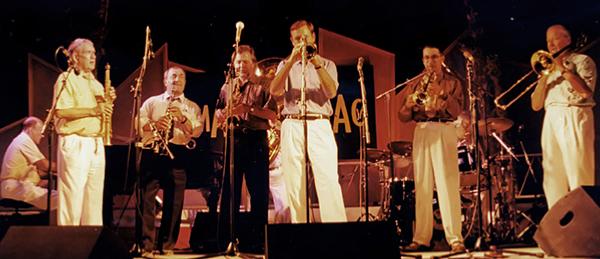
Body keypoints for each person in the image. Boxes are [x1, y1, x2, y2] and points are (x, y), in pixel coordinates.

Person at [270, 20, 347, 223]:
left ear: (313, 37)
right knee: (294, 183)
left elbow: (331, 91)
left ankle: (337, 232)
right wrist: (290, 61)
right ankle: (300, 232)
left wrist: (315, 62)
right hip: (292, 122)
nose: (302, 42)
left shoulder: (327, 64)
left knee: (328, 178)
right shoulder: (285, 65)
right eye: (297, 39)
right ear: (291, 41)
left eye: (305, 37)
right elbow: (274, 90)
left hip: (319, 122)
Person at [397, 45, 465, 252]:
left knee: (448, 185)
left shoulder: (453, 82)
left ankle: (455, 239)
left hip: (444, 129)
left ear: (441, 58)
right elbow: (403, 116)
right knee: (423, 186)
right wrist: (408, 106)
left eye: (434, 57)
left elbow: (456, 111)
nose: (430, 61)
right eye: (426, 58)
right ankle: (421, 238)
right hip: (422, 130)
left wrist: (443, 94)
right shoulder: (416, 83)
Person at [214, 45, 277, 252]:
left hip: (256, 140)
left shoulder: (264, 84)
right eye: (238, 62)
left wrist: (247, 109)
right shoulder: (227, 86)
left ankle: (257, 243)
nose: (241, 65)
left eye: (246, 61)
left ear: (253, 62)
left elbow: (273, 116)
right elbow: (217, 112)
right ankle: (226, 241)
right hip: (234, 139)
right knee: (229, 191)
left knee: (258, 193)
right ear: (233, 64)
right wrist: (221, 115)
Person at [138, 66, 202, 257]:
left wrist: (181, 118)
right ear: (165, 81)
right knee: (147, 199)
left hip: (178, 153)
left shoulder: (192, 107)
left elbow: (196, 130)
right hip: (154, 152)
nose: (177, 80)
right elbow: (138, 124)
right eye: (173, 76)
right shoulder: (152, 102)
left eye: (181, 77)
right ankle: (146, 245)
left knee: (174, 203)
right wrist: (154, 125)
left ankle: (166, 245)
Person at [531, 24, 596, 209]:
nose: (551, 45)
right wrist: (544, 78)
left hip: (574, 113)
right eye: (548, 41)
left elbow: (585, 92)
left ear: (567, 39)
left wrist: (563, 70)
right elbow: (536, 105)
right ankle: (558, 225)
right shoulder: (547, 69)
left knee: (578, 171)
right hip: (551, 116)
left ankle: (584, 224)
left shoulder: (583, 61)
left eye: (555, 39)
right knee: (552, 176)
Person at [53, 38, 115, 226]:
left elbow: (102, 114)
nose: (93, 56)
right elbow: (60, 111)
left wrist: (109, 101)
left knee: (94, 200)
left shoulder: (96, 84)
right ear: (74, 56)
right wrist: (93, 110)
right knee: (73, 197)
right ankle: (67, 248)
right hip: (75, 141)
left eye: (94, 53)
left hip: (95, 143)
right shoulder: (66, 79)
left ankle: (91, 247)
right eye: (88, 52)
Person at [1, 117, 57, 210]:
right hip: (16, 187)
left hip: (17, 187)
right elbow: (44, 165)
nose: (42, 135)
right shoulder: (24, 140)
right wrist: (67, 167)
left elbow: (39, 170)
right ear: (30, 129)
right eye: (40, 131)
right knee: (62, 199)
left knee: (58, 197)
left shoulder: (21, 140)